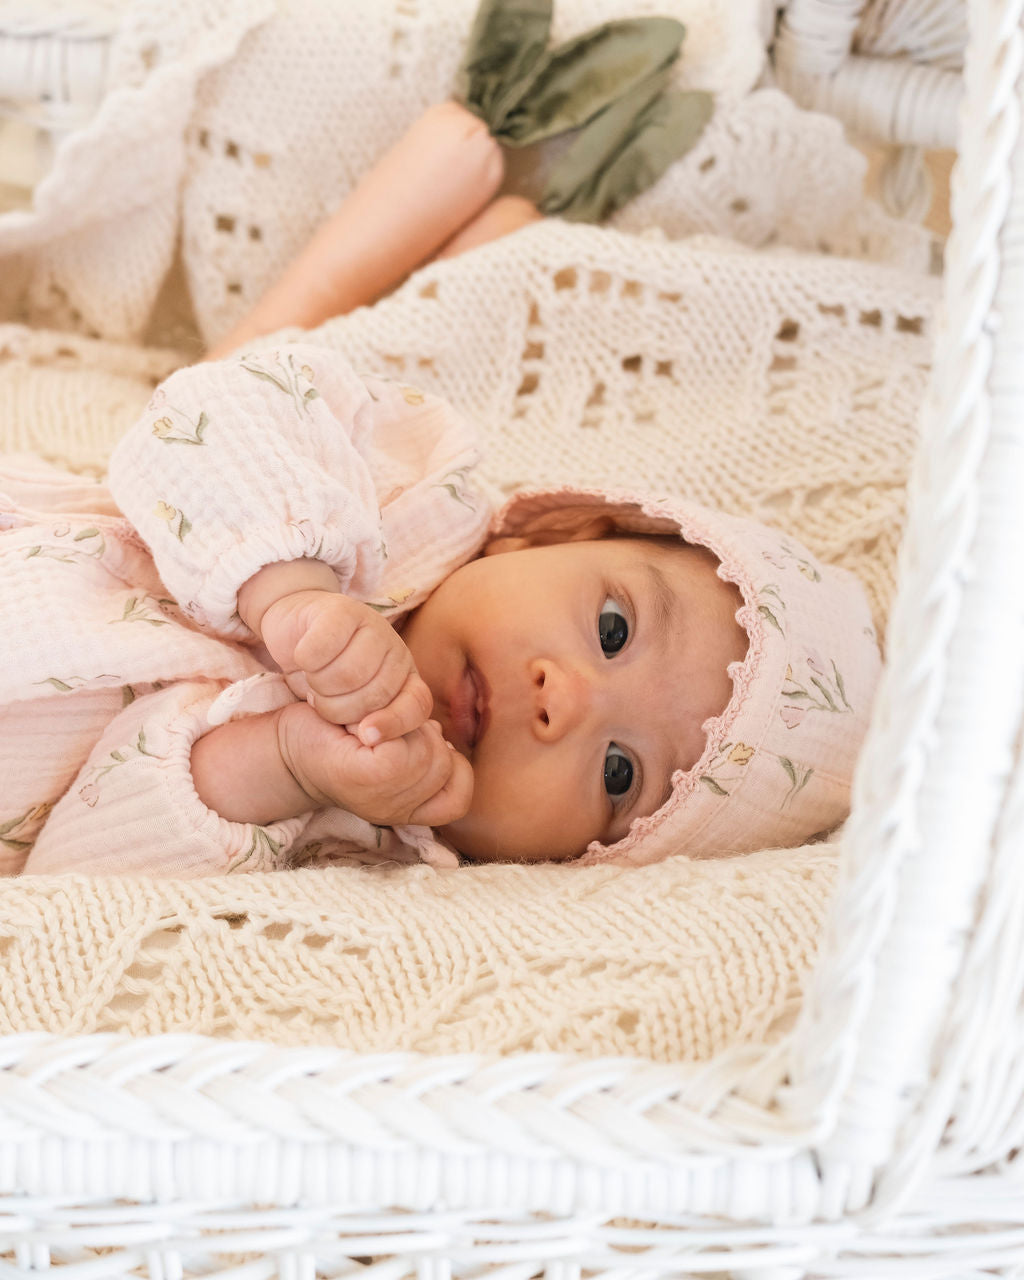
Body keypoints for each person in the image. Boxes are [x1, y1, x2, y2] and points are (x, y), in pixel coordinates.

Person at [1, 334, 881, 876]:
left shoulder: (362, 842)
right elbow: (199, 415)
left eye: (620, 774)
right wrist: (292, 589)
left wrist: (284, 763)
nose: (565, 700)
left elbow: (77, 871)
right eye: (613, 630)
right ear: (555, 535)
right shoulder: (414, 489)